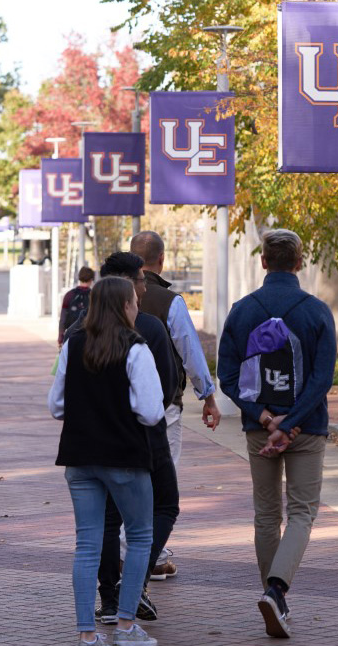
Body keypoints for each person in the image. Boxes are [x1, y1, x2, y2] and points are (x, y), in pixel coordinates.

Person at [217, 229, 337, 639]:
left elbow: (228, 376)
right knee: (302, 511)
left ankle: (273, 596)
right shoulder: (317, 312)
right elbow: (322, 379)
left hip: (259, 429)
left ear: (263, 262)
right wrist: (291, 423)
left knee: (266, 514)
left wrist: (266, 418)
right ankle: (276, 591)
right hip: (307, 428)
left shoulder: (241, 310)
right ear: (300, 262)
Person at [49, 276, 164, 646]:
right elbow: (150, 411)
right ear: (123, 306)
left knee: (87, 544)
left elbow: (56, 406)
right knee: (141, 536)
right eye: (133, 300)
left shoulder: (74, 343)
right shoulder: (135, 348)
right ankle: (127, 625)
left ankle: (87, 638)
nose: (137, 306)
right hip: (124, 456)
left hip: (79, 457)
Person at [78, 252, 180, 624]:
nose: (144, 286)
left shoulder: (79, 331)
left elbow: (60, 399)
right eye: (139, 279)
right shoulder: (148, 329)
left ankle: (107, 600)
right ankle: (129, 591)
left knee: (103, 522)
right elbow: (166, 389)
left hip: (89, 444)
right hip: (143, 440)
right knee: (162, 507)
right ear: (124, 285)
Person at [130, 231, 220, 579]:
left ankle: (140, 550)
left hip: (117, 407)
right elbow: (190, 352)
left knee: (128, 479)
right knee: (160, 482)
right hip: (164, 406)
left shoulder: (108, 297)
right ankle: (147, 555)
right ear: (162, 260)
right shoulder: (170, 302)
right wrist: (207, 396)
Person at [59, 266, 95, 347]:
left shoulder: (69, 295)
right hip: (89, 338)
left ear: (79, 278)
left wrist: (60, 337)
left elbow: (63, 318)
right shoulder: (94, 295)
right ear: (91, 280)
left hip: (71, 336)